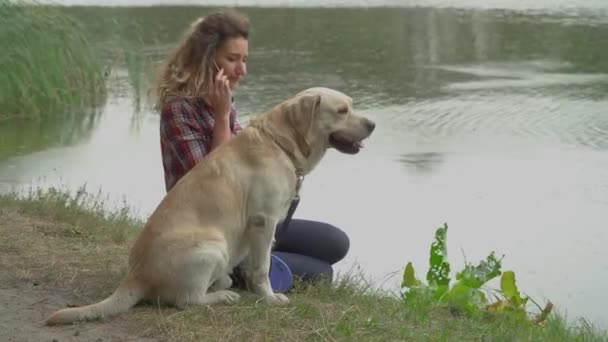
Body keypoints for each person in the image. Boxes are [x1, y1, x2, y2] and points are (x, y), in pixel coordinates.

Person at [152, 10, 350, 291]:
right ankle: (236, 271)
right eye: (232, 59)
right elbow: (210, 182)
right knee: (320, 273)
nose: (242, 70)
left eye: (244, 60)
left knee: (334, 242)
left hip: (246, 223)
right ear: (205, 60)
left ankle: (259, 257)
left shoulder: (224, 100)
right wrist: (222, 118)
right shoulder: (179, 109)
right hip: (211, 231)